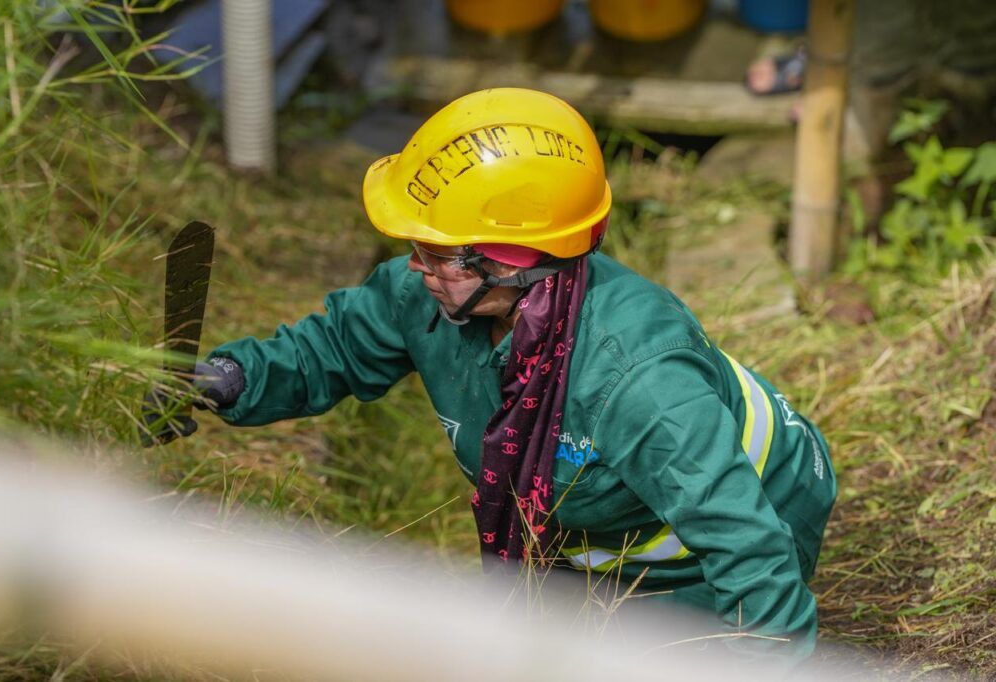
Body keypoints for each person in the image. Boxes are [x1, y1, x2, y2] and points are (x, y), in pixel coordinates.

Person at [153, 88, 836, 662]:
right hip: (595, 532)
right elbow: (332, 347)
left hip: (730, 526)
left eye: (436, 253)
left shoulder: (638, 382)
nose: (415, 266)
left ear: (516, 262)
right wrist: (227, 378)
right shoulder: (428, 292)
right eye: (413, 246)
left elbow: (749, 552)